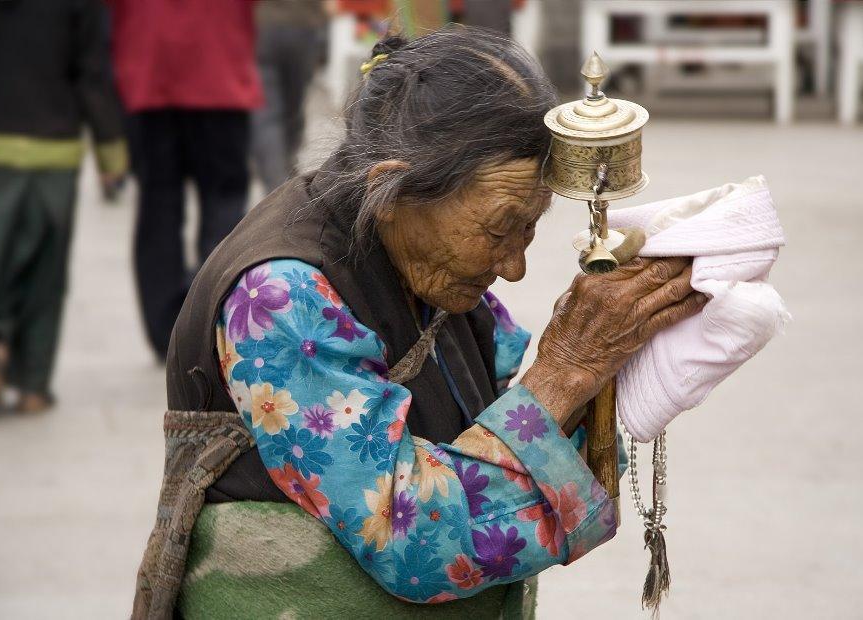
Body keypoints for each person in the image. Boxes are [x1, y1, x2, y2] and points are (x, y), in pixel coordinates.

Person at [133, 28, 705, 619]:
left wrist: (618, 366)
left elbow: (511, 416)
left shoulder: (429, 265)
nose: (514, 267)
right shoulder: (283, 297)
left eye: (529, 228)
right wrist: (566, 372)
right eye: (499, 229)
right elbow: (415, 541)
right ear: (391, 186)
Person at [0, 0, 127, 413]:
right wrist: (110, 154)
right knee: (46, 274)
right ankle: (33, 386)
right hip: (55, 148)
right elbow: (92, 74)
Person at [108, 0, 262, 359]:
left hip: (148, 70)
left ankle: (165, 330)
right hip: (220, 69)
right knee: (224, 201)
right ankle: (212, 316)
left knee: (158, 205)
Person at [251, 0, 329, 192]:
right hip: (303, 25)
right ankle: (282, 175)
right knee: (292, 109)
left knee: (267, 113)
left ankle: (276, 180)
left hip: (263, 24)